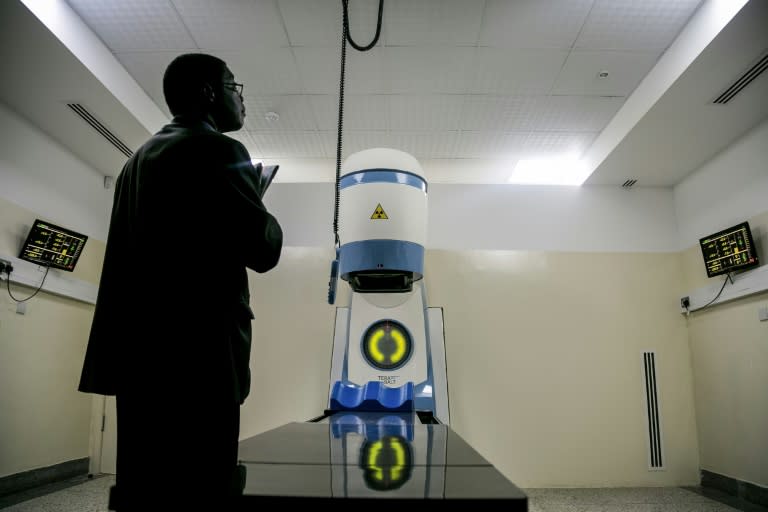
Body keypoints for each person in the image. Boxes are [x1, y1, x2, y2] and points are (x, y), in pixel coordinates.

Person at [77, 53, 283, 510]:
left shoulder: (137, 160)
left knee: (147, 483)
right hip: (200, 362)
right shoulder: (219, 151)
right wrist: (258, 204)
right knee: (201, 483)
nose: (241, 98)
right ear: (209, 92)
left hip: (140, 362)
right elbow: (263, 250)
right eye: (235, 86)